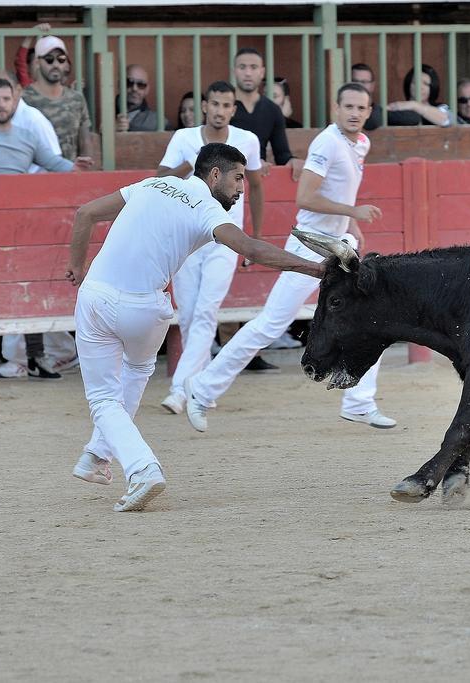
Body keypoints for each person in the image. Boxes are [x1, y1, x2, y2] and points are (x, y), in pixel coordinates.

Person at [65, 142, 324, 511]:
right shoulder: (207, 208)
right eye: (237, 179)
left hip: (96, 298)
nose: (240, 190)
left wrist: (77, 265)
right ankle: (103, 458)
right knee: (136, 372)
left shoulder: (152, 184)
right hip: (147, 310)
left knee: (104, 398)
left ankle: (129, 463)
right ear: (214, 174)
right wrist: (317, 268)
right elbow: (253, 250)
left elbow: (85, 213)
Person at [183, 83, 398, 433]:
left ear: (369, 111)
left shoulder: (361, 143)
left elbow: (341, 190)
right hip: (311, 244)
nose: (355, 113)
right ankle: (203, 389)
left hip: (339, 241)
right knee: (270, 324)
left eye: (361, 107)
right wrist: (353, 212)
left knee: (370, 313)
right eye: (348, 107)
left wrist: (351, 227)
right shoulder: (326, 143)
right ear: (335, 108)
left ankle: (359, 402)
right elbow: (305, 197)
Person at [0, 77, 91, 382]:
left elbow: (54, 163)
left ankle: (37, 358)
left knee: (30, 286)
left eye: (5, 99)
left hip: (21, 228)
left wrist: (76, 169)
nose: (0, 105)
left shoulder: (27, 137)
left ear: (14, 102)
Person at [156, 81, 264, 415]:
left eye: (226, 105)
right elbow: (160, 179)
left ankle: (179, 389)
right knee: (189, 314)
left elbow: (256, 187)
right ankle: (200, 386)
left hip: (226, 237)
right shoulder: (184, 139)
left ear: (234, 109)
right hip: (188, 237)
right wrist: (191, 164)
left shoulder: (247, 140)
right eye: (214, 104)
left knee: (204, 312)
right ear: (205, 105)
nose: (219, 110)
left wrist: (253, 240)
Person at [230, 47, 302, 372]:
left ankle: (244, 349)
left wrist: (292, 163)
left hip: (253, 187)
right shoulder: (225, 105)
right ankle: (227, 343)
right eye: (242, 66)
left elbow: (283, 153)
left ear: (262, 73)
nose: (248, 72)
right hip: (226, 188)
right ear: (235, 71)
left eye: (253, 67)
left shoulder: (271, 110)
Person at [21, 35, 94, 160]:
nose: (55, 64)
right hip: (36, 174)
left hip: (70, 174)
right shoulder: (24, 99)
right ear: (37, 62)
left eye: (61, 59)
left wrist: (86, 169)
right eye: (49, 59)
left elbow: (85, 140)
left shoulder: (76, 98)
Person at [387, 64, 451, 126]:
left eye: (426, 84)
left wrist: (414, 105)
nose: (420, 87)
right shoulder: (400, 108)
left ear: (433, 87)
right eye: (415, 82)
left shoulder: (441, 107)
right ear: (408, 85)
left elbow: (446, 120)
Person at [116, 64, 168, 132]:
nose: (134, 88)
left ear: (147, 90)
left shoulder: (158, 121)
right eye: (129, 82)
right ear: (119, 84)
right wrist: (109, 129)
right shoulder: (102, 112)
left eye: (141, 84)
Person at [14, 22, 50, 88]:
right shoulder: (29, 85)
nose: (41, 65)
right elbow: (20, 61)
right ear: (28, 67)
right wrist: (31, 34)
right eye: (37, 62)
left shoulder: (53, 84)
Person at [351, 63, 383, 131]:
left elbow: (373, 122)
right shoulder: (342, 108)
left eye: (364, 82)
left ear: (372, 85)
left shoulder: (381, 112)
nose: (359, 86)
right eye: (355, 81)